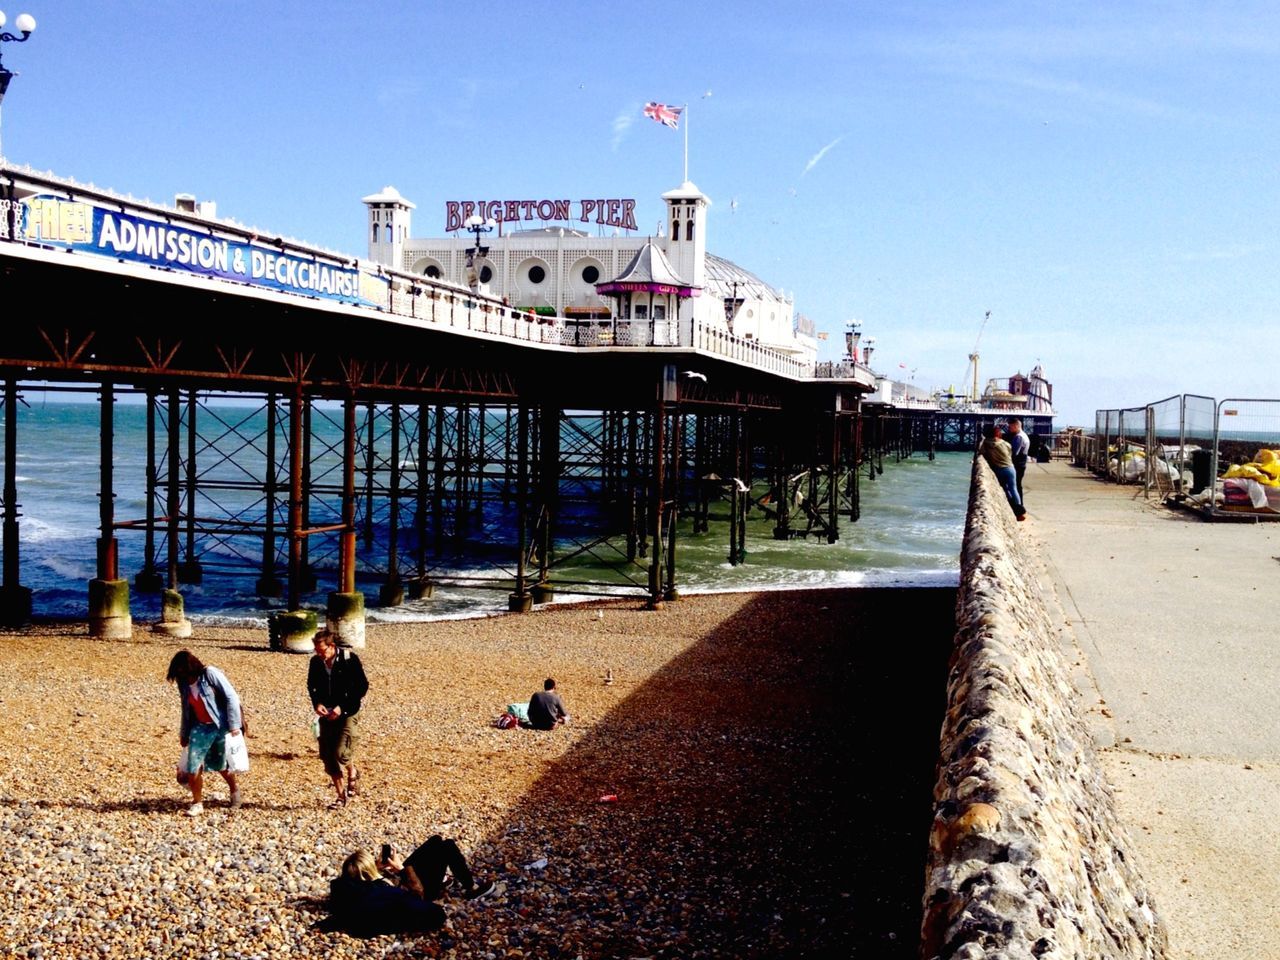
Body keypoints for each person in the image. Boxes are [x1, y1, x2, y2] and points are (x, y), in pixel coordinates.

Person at [327, 839, 496, 936]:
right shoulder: (382, 889)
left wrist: (379, 867)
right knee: (446, 846)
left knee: (436, 841)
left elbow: (369, 881)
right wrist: (400, 870)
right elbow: (416, 896)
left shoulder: (348, 886)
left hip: (403, 879)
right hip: (420, 887)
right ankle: (471, 888)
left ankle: (443, 879)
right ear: (368, 872)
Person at [166, 649, 244, 816]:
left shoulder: (210, 674)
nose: (182, 676)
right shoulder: (184, 683)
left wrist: (234, 725)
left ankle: (235, 792)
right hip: (200, 727)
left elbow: (232, 697)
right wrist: (184, 733)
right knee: (193, 765)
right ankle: (197, 803)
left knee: (221, 764)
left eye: (183, 672)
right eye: (178, 674)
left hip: (220, 725)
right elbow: (185, 709)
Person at [308, 631, 369, 807]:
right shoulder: (315, 662)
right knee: (328, 756)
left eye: (322, 651)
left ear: (332, 646)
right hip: (326, 713)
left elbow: (362, 687)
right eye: (316, 651)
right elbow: (312, 685)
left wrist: (341, 707)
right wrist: (317, 703)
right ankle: (341, 796)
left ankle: (352, 771)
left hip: (348, 711)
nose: (319, 655)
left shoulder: (350, 659)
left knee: (341, 753)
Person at [979, 425, 1026, 521]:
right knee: (1014, 488)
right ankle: (1020, 510)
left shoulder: (986, 443)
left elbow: (981, 452)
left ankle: (1013, 509)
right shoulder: (1006, 443)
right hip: (1010, 468)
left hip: (998, 469)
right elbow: (1010, 454)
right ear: (999, 434)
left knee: (1005, 489)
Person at [1007, 417, 1031, 502]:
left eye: (1010, 427)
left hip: (1018, 464)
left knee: (1015, 486)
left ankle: (1018, 505)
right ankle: (1019, 504)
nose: (1008, 429)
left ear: (1016, 426)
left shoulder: (1019, 437)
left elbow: (1014, 453)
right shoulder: (1024, 435)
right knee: (1017, 485)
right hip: (1022, 463)